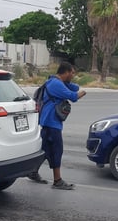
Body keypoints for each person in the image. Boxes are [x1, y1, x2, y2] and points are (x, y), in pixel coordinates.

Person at [28, 62, 86, 190]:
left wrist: (68, 83)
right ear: (65, 72)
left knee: (44, 149)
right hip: (51, 122)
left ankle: (32, 171)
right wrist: (83, 93)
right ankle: (57, 181)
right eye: (72, 73)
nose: (73, 75)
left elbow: (74, 87)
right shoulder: (55, 84)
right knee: (56, 150)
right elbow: (74, 96)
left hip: (48, 121)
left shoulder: (57, 82)